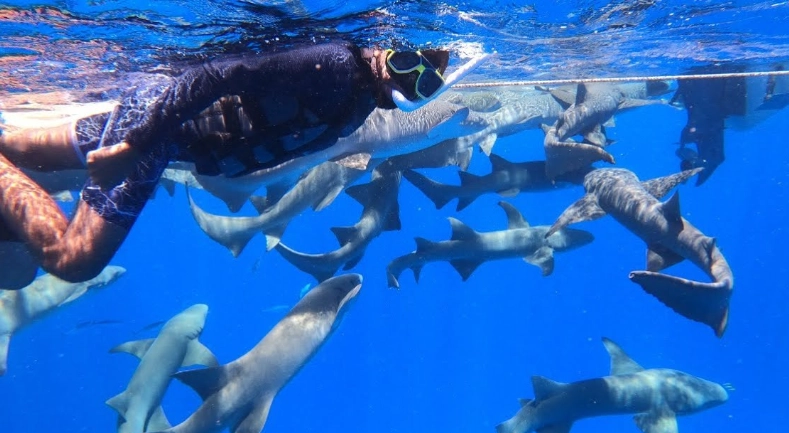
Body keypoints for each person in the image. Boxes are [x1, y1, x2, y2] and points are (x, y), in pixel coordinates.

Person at [0, 40, 482, 285]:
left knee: (16, 151)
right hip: (159, 128)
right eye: (405, 63)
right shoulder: (336, 66)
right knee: (75, 261)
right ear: (391, 47)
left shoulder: (361, 95)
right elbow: (213, 75)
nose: (406, 81)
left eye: (424, 83)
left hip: (167, 130)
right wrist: (135, 147)